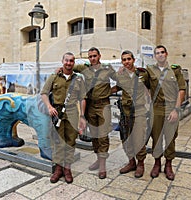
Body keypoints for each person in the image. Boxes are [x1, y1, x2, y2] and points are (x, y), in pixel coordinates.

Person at [40, 52, 87, 184]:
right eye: (66, 60)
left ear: (74, 63)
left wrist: (82, 116)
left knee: (71, 141)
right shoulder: (54, 77)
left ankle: (67, 169)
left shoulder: (78, 79)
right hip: (57, 112)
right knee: (58, 142)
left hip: (72, 112)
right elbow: (44, 93)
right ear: (62, 61)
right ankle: (58, 169)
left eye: (71, 61)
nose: (68, 63)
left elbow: (82, 98)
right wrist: (49, 107)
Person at [73, 47, 117, 179]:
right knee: (94, 135)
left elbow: (121, 81)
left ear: (99, 56)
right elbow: (70, 66)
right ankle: (98, 159)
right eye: (90, 56)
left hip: (103, 105)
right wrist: (60, 70)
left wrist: (110, 91)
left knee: (103, 135)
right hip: (90, 106)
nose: (92, 58)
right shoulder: (84, 69)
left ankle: (102, 165)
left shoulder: (107, 69)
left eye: (94, 56)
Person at [147, 45, 186, 180]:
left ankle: (168, 165)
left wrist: (176, 109)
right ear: (154, 56)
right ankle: (157, 163)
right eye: (157, 53)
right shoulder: (150, 70)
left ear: (166, 54)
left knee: (170, 138)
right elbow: (144, 86)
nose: (160, 55)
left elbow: (181, 90)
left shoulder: (175, 70)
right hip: (156, 109)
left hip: (171, 108)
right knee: (156, 138)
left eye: (162, 52)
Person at [112, 50, 151, 178]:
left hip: (139, 111)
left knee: (139, 138)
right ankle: (131, 162)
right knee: (125, 138)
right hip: (125, 112)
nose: (126, 62)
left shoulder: (143, 74)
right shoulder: (120, 76)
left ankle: (140, 164)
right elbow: (115, 88)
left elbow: (151, 88)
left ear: (133, 60)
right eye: (124, 60)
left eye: (128, 59)